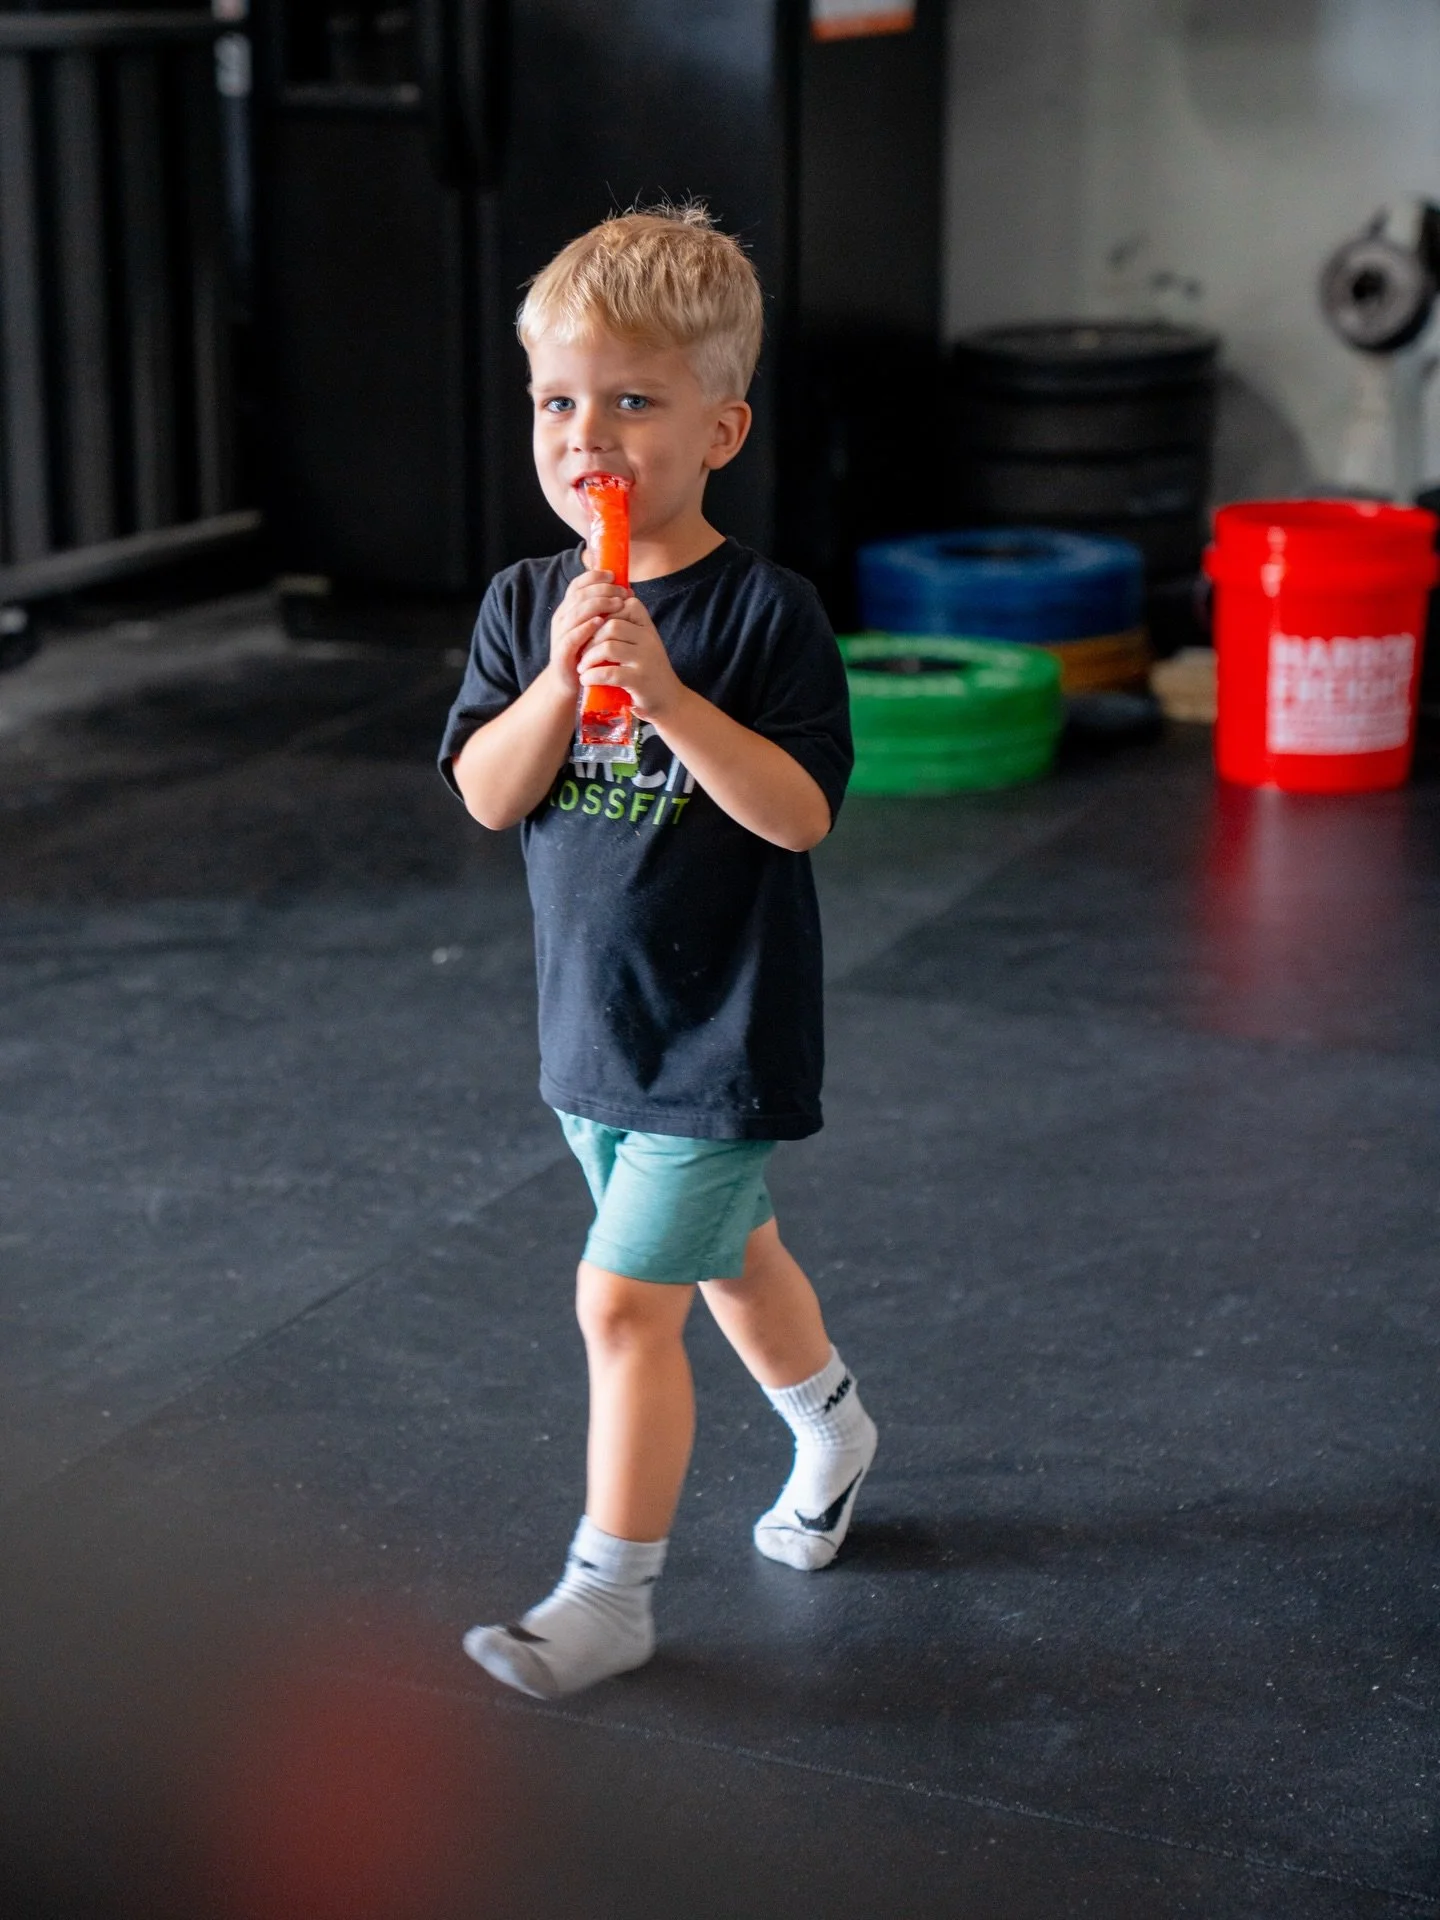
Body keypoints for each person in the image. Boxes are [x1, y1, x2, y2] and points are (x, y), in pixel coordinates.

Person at [439, 204, 876, 1700]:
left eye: (632, 401)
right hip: (595, 1034)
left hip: (722, 1033)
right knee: (735, 1262)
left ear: (720, 430)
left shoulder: (766, 613)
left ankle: (606, 1596)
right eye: (558, 402)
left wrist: (673, 698)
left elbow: (799, 813)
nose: (589, 438)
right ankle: (833, 1427)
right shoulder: (525, 604)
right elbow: (489, 792)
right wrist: (565, 680)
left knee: (623, 1302)